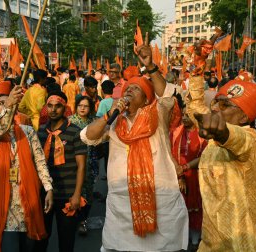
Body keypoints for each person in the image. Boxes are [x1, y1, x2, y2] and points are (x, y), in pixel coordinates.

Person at [80, 33, 189, 251]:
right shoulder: (114, 121)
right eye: (127, 89)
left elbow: (168, 94)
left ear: (147, 99)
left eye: (135, 89)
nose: (128, 91)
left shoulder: (157, 114)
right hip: (122, 204)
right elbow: (88, 137)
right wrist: (107, 116)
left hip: (159, 197)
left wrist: (150, 67)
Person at [185, 70, 256, 250]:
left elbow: (236, 138)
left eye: (225, 105)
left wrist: (223, 132)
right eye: (216, 102)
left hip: (241, 243)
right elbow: (196, 108)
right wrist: (196, 70)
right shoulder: (214, 141)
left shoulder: (252, 140)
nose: (215, 108)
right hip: (211, 239)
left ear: (244, 117)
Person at [0, 79, 53, 252]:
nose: (6, 105)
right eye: (1, 103)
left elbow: (40, 162)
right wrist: (9, 104)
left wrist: (48, 188)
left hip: (28, 202)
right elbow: (1, 127)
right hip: (5, 205)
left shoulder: (28, 131)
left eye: (8, 102)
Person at [36, 91, 87, 252]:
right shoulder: (41, 132)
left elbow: (81, 166)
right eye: (49, 106)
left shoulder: (75, 132)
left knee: (66, 240)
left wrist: (77, 195)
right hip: (45, 193)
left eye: (57, 106)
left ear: (64, 108)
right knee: (41, 238)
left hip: (68, 194)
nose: (53, 110)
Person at [171, 107, 207, 251]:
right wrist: (179, 175)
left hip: (197, 176)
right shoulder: (175, 133)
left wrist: (185, 168)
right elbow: (171, 153)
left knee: (197, 208)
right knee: (180, 207)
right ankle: (181, 238)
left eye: (188, 115)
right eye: (183, 114)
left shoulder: (203, 134)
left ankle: (195, 238)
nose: (184, 118)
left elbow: (204, 157)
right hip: (178, 176)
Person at [69, 96, 98, 235]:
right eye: (80, 105)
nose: (82, 108)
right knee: (76, 191)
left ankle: (83, 220)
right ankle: (76, 220)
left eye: (85, 106)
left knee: (88, 193)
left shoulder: (94, 121)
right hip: (73, 163)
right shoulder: (70, 121)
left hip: (90, 162)